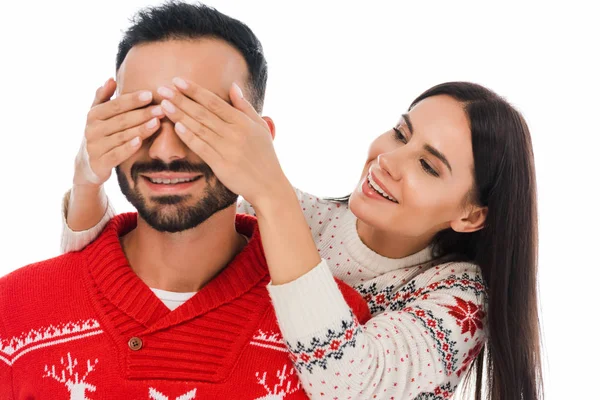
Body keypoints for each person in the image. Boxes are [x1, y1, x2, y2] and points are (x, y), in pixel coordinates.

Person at [58, 72, 543, 400]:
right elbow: (102, 284)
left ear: (471, 216)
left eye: (427, 165)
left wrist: (270, 193)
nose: (389, 160)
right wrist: (86, 181)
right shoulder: (291, 214)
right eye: (400, 133)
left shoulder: (457, 298)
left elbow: (348, 382)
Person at [0, 3, 371, 399]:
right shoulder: (15, 308)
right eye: (141, 115)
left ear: (261, 139)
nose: (165, 150)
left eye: (201, 120)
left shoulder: (335, 339)